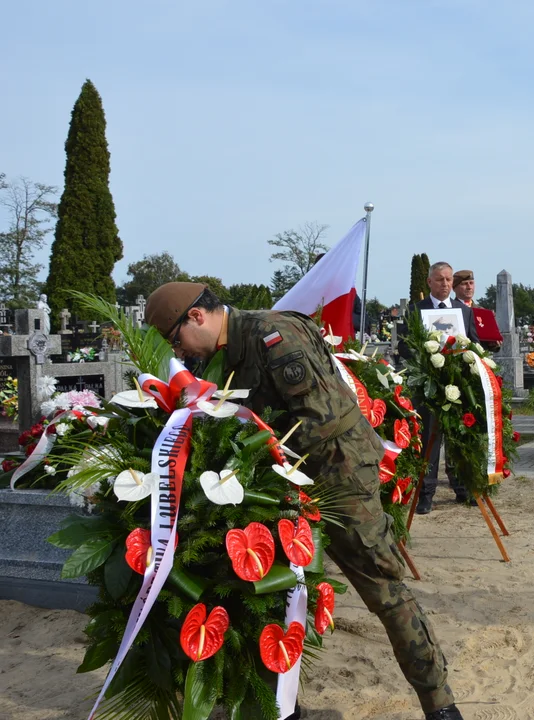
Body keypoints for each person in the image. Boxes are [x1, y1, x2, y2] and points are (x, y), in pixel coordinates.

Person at [145, 282, 463, 720]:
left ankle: (440, 705)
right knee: (270, 592)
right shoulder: (233, 350)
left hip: (339, 476)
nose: (181, 352)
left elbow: (321, 419)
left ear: (196, 317)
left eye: (176, 339)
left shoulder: (272, 336)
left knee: (383, 590)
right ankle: (282, 705)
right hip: (291, 483)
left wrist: (267, 457)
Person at [397, 262, 480, 515]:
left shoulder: (462, 311)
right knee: (430, 442)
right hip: (428, 388)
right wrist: (426, 364)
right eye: (440, 280)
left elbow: (474, 343)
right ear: (429, 283)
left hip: (457, 387)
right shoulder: (415, 310)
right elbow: (404, 347)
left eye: (448, 280)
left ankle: (463, 488)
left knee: (457, 439)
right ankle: (426, 494)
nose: (445, 284)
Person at [452, 269, 503, 352]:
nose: (469, 287)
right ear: (454, 288)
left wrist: (493, 343)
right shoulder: (450, 310)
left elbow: (493, 347)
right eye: (464, 284)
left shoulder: (483, 312)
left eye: (471, 283)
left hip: (478, 360)